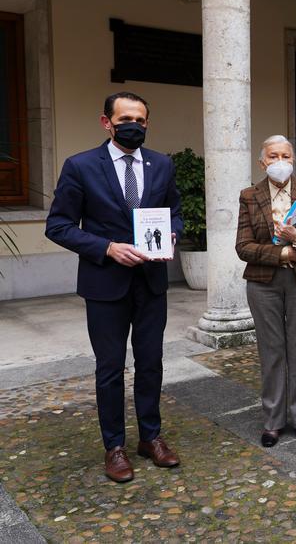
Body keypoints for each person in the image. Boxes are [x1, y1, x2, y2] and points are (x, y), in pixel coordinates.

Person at [45, 91, 183, 483]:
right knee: (109, 368)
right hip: (105, 284)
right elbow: (58, 226)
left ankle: (151, 438)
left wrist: (171, 235)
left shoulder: (162, 165)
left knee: (151, 362)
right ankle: (115, 446)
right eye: (125, 119)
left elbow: (175, 212)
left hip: (151, 283)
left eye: (140, 120)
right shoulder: (81, 166)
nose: (134, 126)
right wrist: (106, 248)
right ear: (106, 122)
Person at [236, 135, 296, 448]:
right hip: (264, 283)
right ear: (263, 161)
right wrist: (283, 254)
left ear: (294, 160)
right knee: (272, 351)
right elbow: (243, 247)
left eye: (286, 156)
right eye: (274, 156)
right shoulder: (249, 195)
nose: (281, 162)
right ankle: (274, 420)